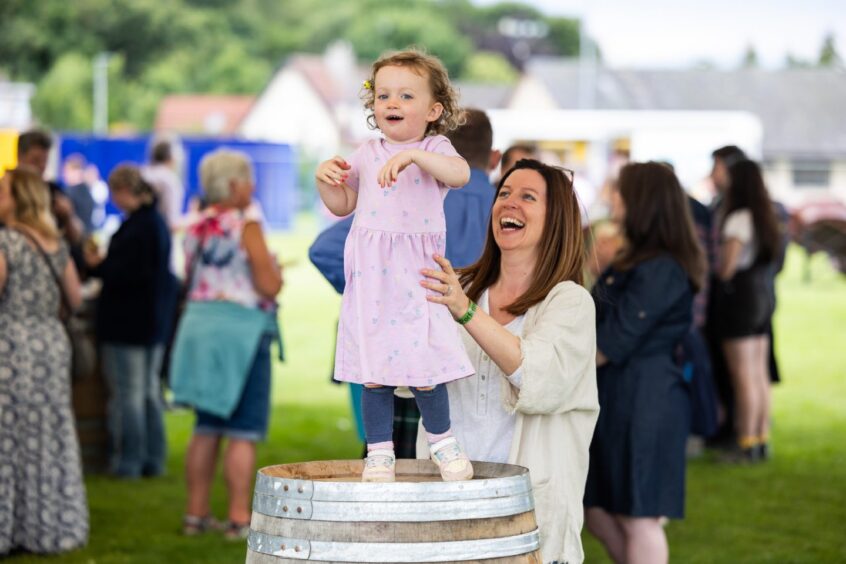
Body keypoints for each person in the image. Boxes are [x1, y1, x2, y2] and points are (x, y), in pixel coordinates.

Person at [416, 159, 598, 563]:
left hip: (523, 513)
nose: (509, 204)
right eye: (504, 194)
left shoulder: (569, 302)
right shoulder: (458, 287)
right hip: (444, 502)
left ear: (556, 222)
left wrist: (464, 312)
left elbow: (538, 378)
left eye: (528, 197)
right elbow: (406, 373)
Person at [315, 49, 474, 482]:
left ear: (433, 110)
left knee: (425, 366)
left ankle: (442, 442)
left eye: (406, 95)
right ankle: (379, 452)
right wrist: (325, 179)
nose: (392, 103)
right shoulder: (366, 153)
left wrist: (415, 157)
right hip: (371, 281)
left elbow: (459, 174)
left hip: (416, 276)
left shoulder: (434, 148)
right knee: (374, 373)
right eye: (383, 95)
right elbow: (344, 203)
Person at [308, 108, 501, 457]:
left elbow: (324, 249)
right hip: (478, 348)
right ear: (496, 157)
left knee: (388, 459)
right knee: (461, 457)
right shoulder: (505, 210)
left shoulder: (398, 183)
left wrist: (375, 289)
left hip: (390, 336)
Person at [584, 162, 706, 564]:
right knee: (597, 510)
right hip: (619, 396)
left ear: (641, 201)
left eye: (619, 191)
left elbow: (610, 341)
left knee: (639, 516)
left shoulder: (662, 268)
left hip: (647, 401)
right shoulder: (633, 259)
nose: (612, 197)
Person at [169, 149, 282, 540]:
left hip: (199, 329)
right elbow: (268, 285)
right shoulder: (247, 225)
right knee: (243, 429)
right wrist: (276, 271)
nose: (252, 187)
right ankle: (238, 518)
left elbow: (192, 277)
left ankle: (194, 515)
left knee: (206, 425)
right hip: (241, 333)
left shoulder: (196, 225)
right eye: (248, 179)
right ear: (234, 185)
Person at [0, 168, 89, 554]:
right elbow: (76, 300)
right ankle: (50, 527)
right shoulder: (56, 244)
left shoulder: (7, 243)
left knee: (8, 439)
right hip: (50, 345)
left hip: (11, 348)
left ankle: (10, 528)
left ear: (17, 198)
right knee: (48, 436)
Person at [83, 165, 177, 478]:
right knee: (148, 392)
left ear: (124, 191)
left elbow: (126, 274)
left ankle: (128, 462)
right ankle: (153, 458)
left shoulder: (137, 227)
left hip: (127, 323)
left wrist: (99, 266)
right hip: (153, 322)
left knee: (128, 395)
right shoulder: (156, 223)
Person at [715, 159, 781, 462]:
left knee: (742, 374)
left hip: (739, 300)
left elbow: (727, 267)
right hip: (762, 297)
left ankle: (744, 442)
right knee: (758, 372)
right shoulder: (764, 214)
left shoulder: (738, 217)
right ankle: (761, 438)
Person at [16, 130, 86, 273]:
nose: (41, 166)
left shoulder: (54, 192)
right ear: (19, 156)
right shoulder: (6, 191)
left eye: (45, 161)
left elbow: (77, 236)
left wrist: (67, 216)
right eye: (35, 160)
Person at [142, 140, 185, 231]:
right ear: (172, 157)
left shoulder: (144, 173)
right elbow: (172, 223)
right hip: (158, 238)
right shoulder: (169, 180)